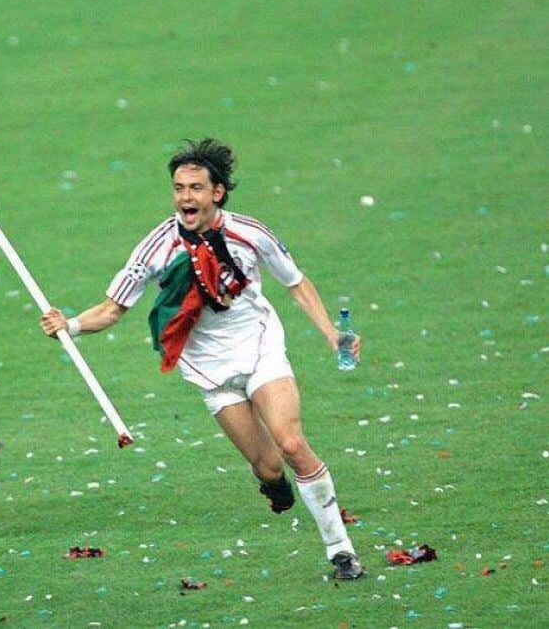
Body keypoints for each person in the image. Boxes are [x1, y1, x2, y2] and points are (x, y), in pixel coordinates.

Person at [40, 138, 365, 581]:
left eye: (195, 188)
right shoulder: (156, 246)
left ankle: (340, 550)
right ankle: (274, 486)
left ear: (218, 192)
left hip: (259, 347)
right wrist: (71, 325)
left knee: (291, 444)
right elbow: (113, 309)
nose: (185, 198)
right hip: (209, 369)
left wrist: (331, 334)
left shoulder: (251, 233)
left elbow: (296, 282)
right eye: (178, 188)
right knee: (269, 466)